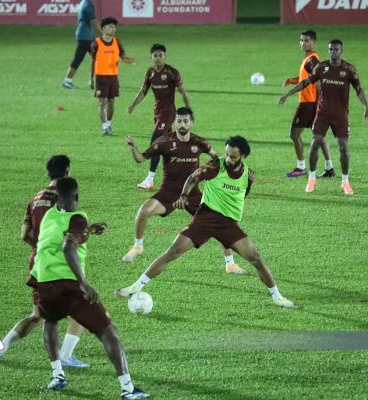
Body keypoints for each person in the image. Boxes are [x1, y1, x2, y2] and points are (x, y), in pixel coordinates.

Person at [115, 136, 296, 309]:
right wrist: (184, 196)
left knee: (255, 258)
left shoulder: (248, 176)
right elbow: (193, 178)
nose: (228, 159)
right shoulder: (216, 166)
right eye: (227, 154)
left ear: (242, 155)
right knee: (172, 252)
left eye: (233, 157)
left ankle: (277, 297)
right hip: (204, 219)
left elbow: (243, 194)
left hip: (227, 224)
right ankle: (136, 287)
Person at [32, 177, 149, 399]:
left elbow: (61, 234)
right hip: (69, 285)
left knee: (50, 321)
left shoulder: (49, 216)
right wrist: (82, 282)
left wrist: (87, 230)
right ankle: (127, 389)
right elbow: (68, 247)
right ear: (76, 195)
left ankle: (57, 375)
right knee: (109, 333)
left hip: (44, 282)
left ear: (58, 197)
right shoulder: (78, 217)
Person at [0, 155, 88, 368]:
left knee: (38, 315)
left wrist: (39, 248)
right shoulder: (63, 198)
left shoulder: (35, 199)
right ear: (67, 171)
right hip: (60, 263)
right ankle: (65, 356)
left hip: (38, 263)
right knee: (82, 307)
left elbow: (25, 234)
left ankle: (0, 347)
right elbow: (71, 232)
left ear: (48, 173)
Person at [122, 108, 246, 274]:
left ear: (191, 122)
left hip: (193, 194)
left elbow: (217, 159)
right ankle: (138, 246)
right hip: (169, 192)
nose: (182, 124)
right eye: (179, 121)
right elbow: (141, 158)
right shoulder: (164, 142)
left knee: (222, 221)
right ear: (174, 122)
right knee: (143, 211)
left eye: (186, 121)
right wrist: (133, 148)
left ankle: (230, 264)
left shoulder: (200, 142)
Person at [278, 39, 368, 194]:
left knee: (343, 147)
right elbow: (305, 82)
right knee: (315, 142)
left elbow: (359, 89)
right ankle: (311, 179)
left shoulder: (349, 69)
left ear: (341, 51)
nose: (333, 52)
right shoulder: (321, 67)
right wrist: (288, 94)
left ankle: (345, 181)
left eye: (336, 49)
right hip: (322, 113)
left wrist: (367, 106)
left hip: (341, 114)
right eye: (330, 49)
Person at [127, 44, 191, 189]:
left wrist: (188, 111)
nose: (158, 58)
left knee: (156, 143)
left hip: (168, 113)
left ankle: (150, 179)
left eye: (160, 55)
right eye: (155, 55)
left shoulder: (172, 72)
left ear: (165, 56)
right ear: (151, 57)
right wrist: (133, 105)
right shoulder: (150, 72)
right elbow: (143, 91)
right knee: (170, 146)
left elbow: (183, 92)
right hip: (157, 113)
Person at [282, 30, 335, 179]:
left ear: (313, 42)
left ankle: (300, 167)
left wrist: (320, 101)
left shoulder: (312, 59)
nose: (303, 43)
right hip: (311, 102)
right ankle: (329, 167)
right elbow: (306, 78)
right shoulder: (308, 58)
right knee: (319, 134)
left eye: (306, 40)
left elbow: (318, 79)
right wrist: (291, 80)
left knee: (294, 134)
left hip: (308, 103)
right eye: (301, 40)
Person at [90, 17, 136, 136]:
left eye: (114, 27)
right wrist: (91, 79)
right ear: (103, 28)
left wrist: (130, 60)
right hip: (101, 77)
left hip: (113, 77)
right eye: (110, 26)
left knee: (111, 102)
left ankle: (109, 123)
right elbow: (93, 61)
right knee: (102, 102)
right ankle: (104, 127)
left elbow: (123, 57)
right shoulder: (96, 43)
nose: (113, 29)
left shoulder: (117, 42)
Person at [62, 0, 101, 89]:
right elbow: (93, 21)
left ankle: (93, 80)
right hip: (85, 37)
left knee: (97, 57)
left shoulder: (83, 2)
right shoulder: (88, 5)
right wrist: (103, 32)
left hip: (86, 35)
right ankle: (67, 81)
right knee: (79, 58)